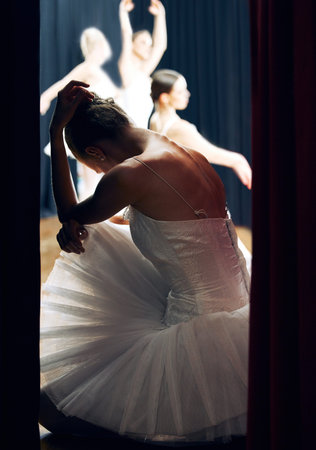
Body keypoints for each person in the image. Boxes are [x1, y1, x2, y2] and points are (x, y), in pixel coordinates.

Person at [39, 80, 250, 446]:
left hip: (200, 329)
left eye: (91, 165)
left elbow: (69, 213)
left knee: (50, 410)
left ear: (95, 151)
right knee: (102, 232)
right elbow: (153, 221)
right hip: (242, 310)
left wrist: (56, 132)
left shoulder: (133, 172)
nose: (101, 174)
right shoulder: (181, 152)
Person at [150, 69, 252, 272]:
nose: (187, 95)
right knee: (232, 262)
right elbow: (212, 154)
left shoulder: (155, 120)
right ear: (165, 97)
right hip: (192, 201)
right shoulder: (178, 127)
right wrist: (238, 160)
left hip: (174, 198)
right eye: (181, 91)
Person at [41, 27, 120, 199]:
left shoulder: (95, 69)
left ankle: (89, 214)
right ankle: (85, 217)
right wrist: (45, 98)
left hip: (99, 127)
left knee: (95, 176)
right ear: (99, 45)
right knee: (90, 176)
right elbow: (64, 83)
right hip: (90, 128)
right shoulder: (88, 67)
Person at [117, 0, 167, 128]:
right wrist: (123, 12)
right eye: (143, 42)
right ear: (133, 44)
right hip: (124, 135)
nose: (148, 48)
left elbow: (160, 46)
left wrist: (160, 15)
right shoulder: (127, 69)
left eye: (150, 44)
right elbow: (127, 35)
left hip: (141, 134)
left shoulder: (143, 72)